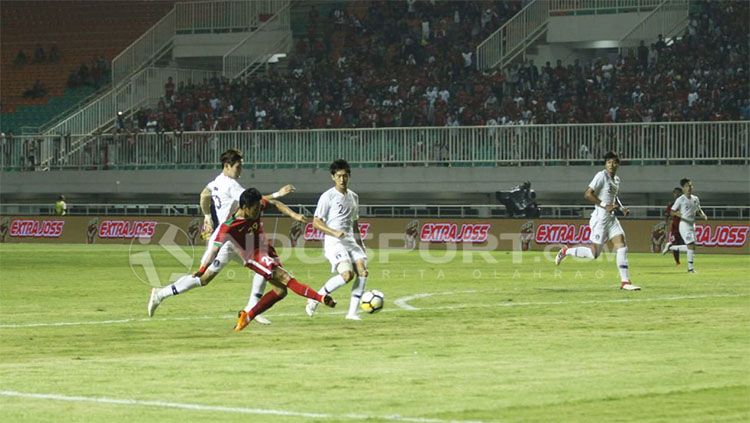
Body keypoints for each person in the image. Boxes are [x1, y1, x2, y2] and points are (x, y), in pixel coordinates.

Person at [147, 149, 294, 322]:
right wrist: (278, 194)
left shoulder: (216, 181)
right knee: (204, 278)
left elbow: (204, 195)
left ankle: (251, 310)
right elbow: (253, 201)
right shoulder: (231, 185)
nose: (240, 170)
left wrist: (207, 217)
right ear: (227, 166)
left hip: (235, 236)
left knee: (262, 268)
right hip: (229, 238)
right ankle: (160, 294)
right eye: (238, 166)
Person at [555, 151, 641, 291]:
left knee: (622, 244)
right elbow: (588, 194)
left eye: (614, 162)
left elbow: (613, 196)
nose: (611, 165)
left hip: (611, 218)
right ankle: (566, 251)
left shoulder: (616, 179)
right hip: (600, 219)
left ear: (618, 164)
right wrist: (604, 205)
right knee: (594, 254)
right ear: (605, 164)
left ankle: (625, 282)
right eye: (609, 162)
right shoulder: (601, 176)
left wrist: (622, 207)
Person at [304, 159, 369, 320]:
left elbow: (354, 223)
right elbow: (316, 222)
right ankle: (315, 298)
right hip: (334, 241)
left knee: (362, 271)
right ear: (333, 177)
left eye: (345, 176)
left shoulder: (354, 197)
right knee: (347, 275)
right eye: (339, 176)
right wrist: (334, 232)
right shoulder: (328, 196)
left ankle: (352, 313)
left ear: (349, 176)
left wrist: (360, 244)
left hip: (350, 241)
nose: (342, 179)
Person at [662, 179, 707, 273]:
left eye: (690, 186)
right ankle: (690, 269)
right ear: (683, 188)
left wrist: (703, 215)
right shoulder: (680, 199)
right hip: (684, 224)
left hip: (692, 224)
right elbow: (672, 211)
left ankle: (671, 247)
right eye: (686, 186)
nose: (689, 188)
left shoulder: (695, 199)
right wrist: (682, 215)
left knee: (692, 247)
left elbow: (698, 209)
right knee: (690, 245)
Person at [661, 187, 685, 265]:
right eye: (675, 193)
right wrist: (666, 222)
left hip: (685, 227)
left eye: (678, 193)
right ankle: (677, 262)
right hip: (676, 227)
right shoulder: (672, 205)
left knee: (688, 244)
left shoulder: (685, 203)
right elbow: (667, 214)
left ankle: (670, 246)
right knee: (676, 243)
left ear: (682, 193)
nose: (677, 194)